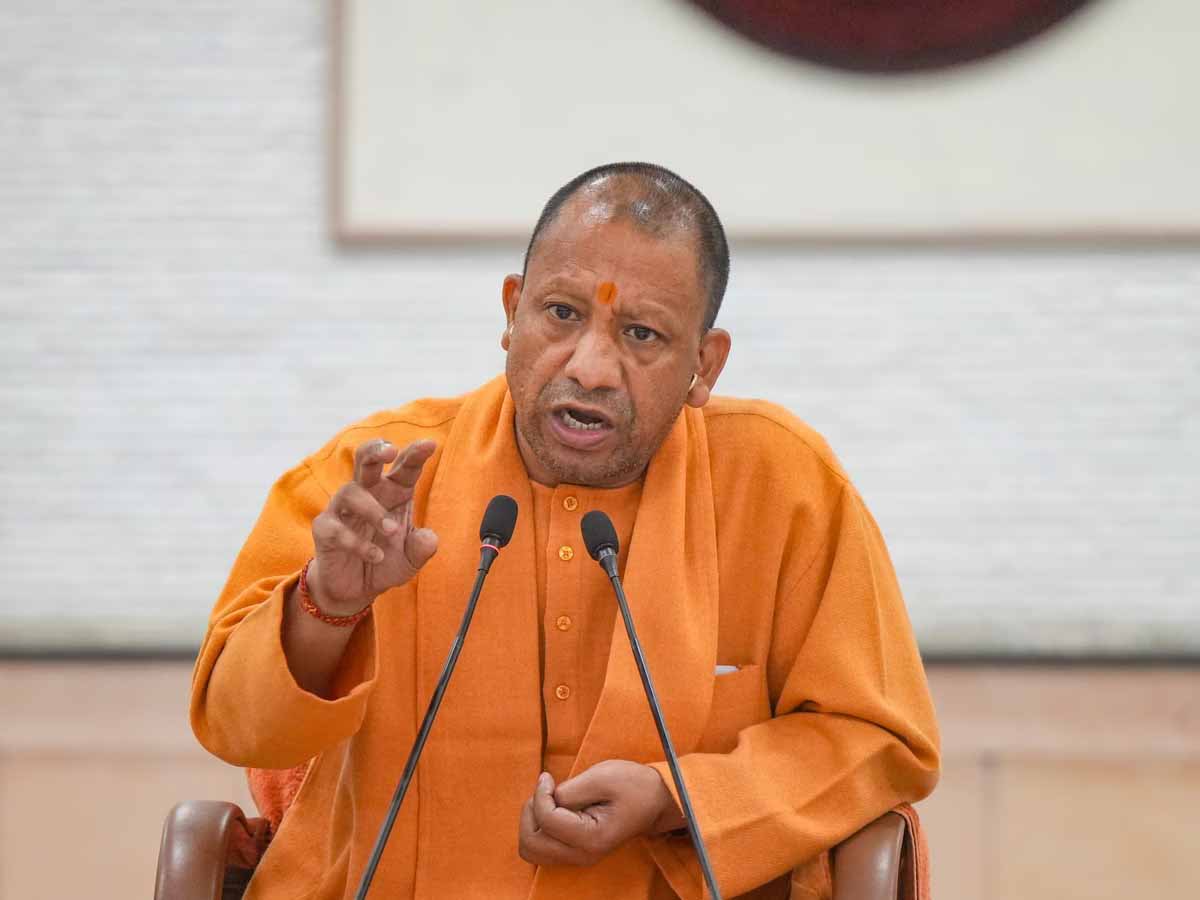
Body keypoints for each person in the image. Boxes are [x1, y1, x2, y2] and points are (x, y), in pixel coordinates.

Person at [190, 162, 940, 900]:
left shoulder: (780, 486)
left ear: (703, 366)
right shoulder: (380, 481)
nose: (591, 367)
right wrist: (326, 604)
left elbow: (879, 739)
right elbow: (235, 728)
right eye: (561, 314)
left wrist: (676, 797)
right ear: (511, 311)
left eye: (641, 333)